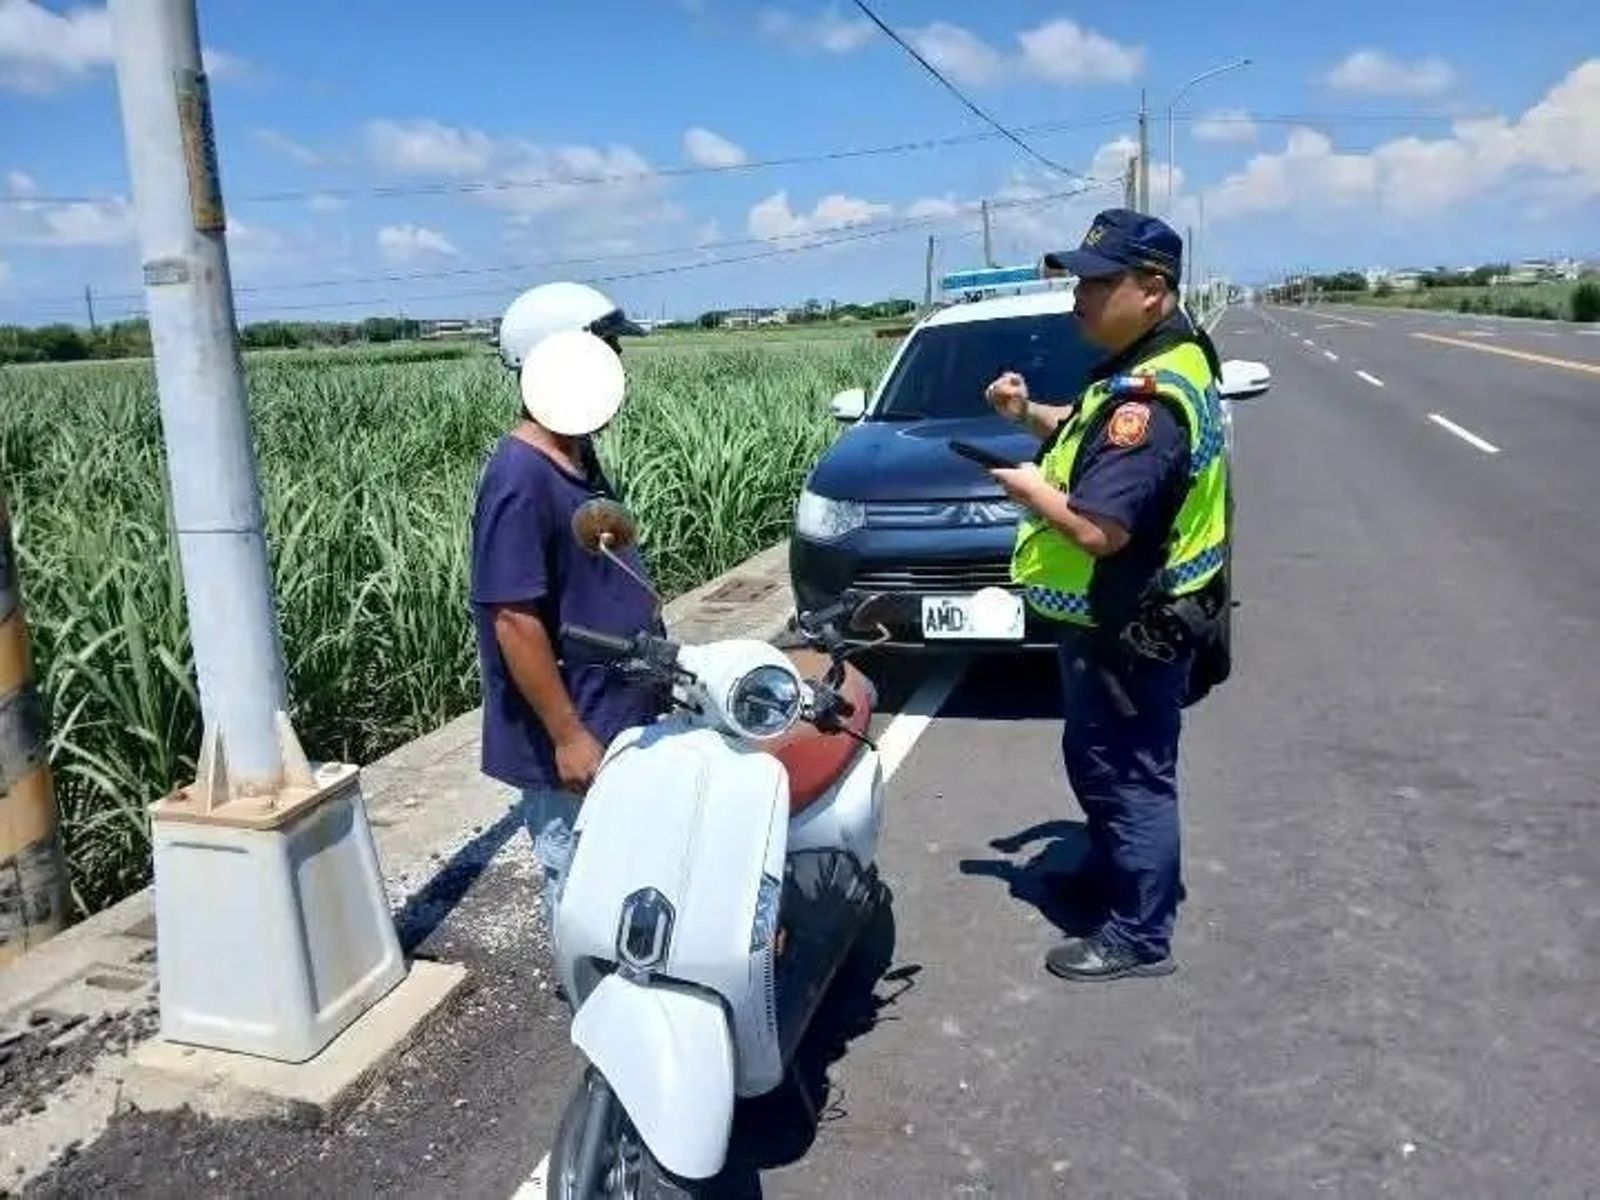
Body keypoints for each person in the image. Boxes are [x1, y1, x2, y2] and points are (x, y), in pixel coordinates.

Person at [984, 209, 1230, 983]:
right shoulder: (1151, 368)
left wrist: (1028, 490)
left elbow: (1100, 531)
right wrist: (1027, 416)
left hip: (1130, 625)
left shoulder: (1148, 404)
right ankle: (1110, 877)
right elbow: (1082, 434)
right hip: (1109, 621)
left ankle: (1138, 936)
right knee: (1098, 761)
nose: (1078, 299)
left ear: (1152, 290)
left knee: (1131, 776)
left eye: (1097, 283)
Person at [469, 282, 660, 920]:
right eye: (606, 350)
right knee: (586, 897)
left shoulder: (576, 457)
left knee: (631, 884)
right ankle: (594, 1013)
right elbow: (514, 621)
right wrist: (569, 734)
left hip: (618, 717)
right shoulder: (520, 477)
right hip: (576, 738)